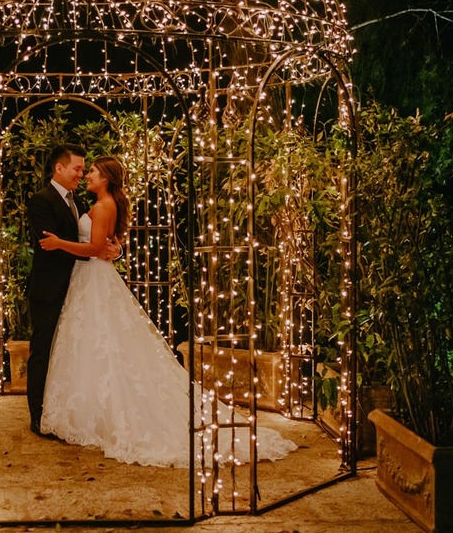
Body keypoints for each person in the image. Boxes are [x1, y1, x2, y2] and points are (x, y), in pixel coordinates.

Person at [38, 156, 298, 467]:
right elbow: (105, 243)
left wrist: (58, 244)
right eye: (83, 170)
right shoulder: (96, 203)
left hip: (93, 277)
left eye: (91, 171)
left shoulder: (104, 205)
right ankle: (92, 410)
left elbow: (95, 248)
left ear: (105, 178)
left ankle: (107, 414)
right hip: (89, 279)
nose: (87, 175)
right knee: (94, 345)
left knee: (104, 343)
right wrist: (113, 248)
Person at [25, 143, 120, 438]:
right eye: (78, 168)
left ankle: (68, 412)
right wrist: (94, 252)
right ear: (59, 168)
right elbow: (48, 247)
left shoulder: (77, 200)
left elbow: (98, 236)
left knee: (70, 352)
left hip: (77, 286)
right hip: (49, 287)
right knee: (42, 350)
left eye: (84, 169)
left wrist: (112, 249)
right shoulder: (41, 200)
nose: (81, 173)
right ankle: (38, 416)